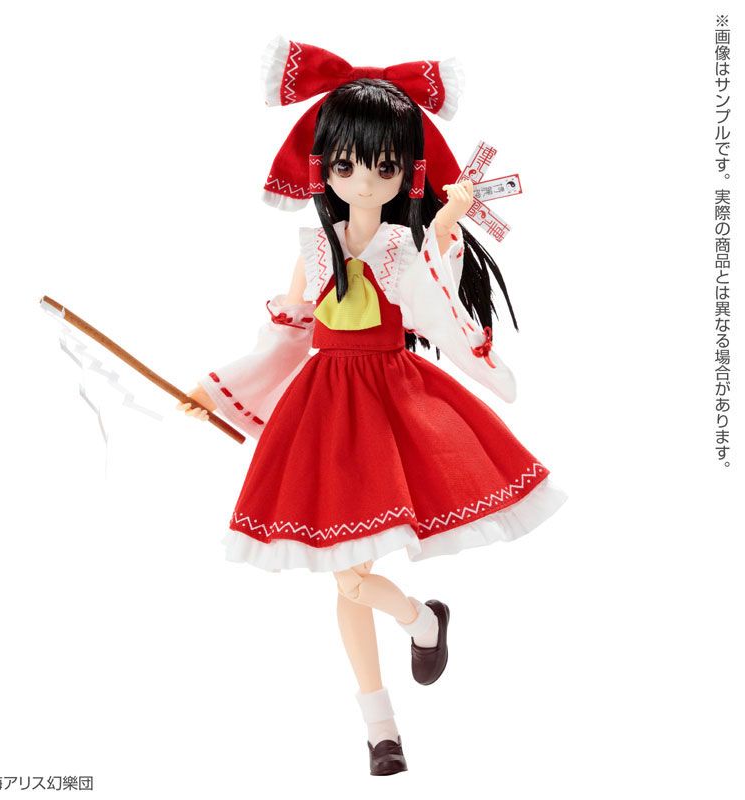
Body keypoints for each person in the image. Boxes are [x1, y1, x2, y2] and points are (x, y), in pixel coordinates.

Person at [179, 37, 567, 776]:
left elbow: (437, 297)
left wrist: (449, 223)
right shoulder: (314, 250)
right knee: (345, 574)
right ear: (324, 166)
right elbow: (285, 340)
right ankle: (388, 706)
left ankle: (411, 648)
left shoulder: (399, 249)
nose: (363, 180)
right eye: (347, 164)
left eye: (384, 166)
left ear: (404, 172)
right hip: (325, 416)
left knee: (351, 575)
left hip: (391, 407)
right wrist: (219, 391)